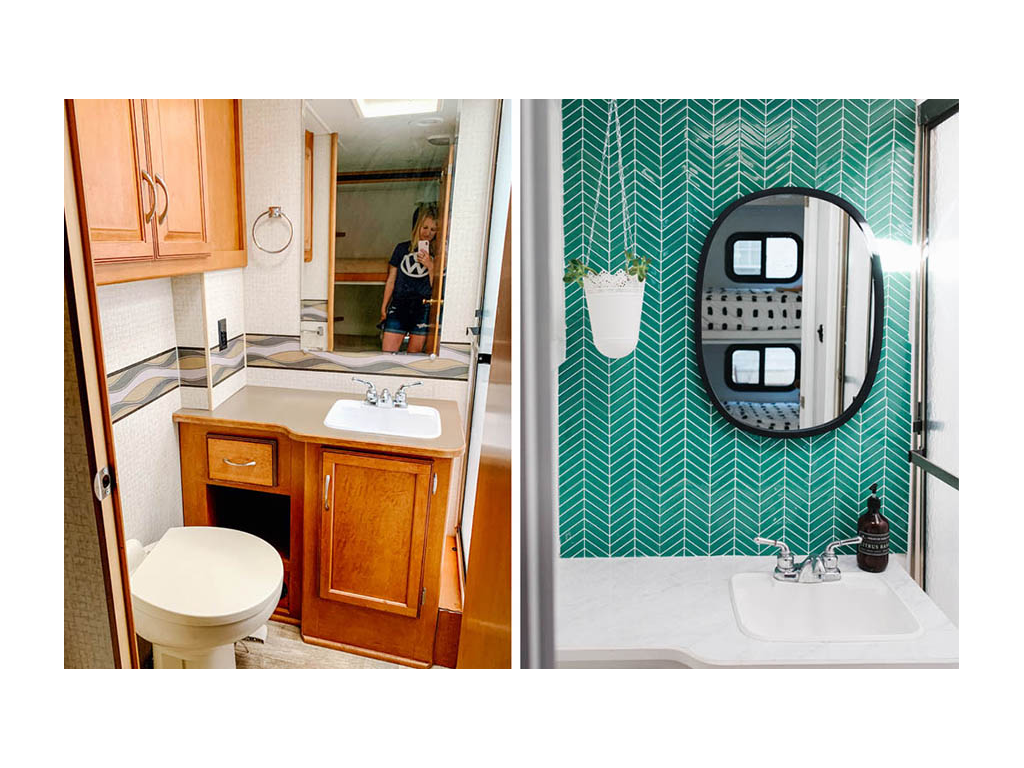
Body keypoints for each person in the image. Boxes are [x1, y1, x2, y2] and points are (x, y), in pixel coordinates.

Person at [380, 205, 438, 353]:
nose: (428, 233)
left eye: (433, 229)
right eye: (424, 227)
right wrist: (384, 306)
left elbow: (436, 288)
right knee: (387, 355)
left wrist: (431, 266)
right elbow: (391, 280)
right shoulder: (401, 249)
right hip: (399, 305)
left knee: (414, 359)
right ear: (417, 226)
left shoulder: (438, 254)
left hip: (423, 308)